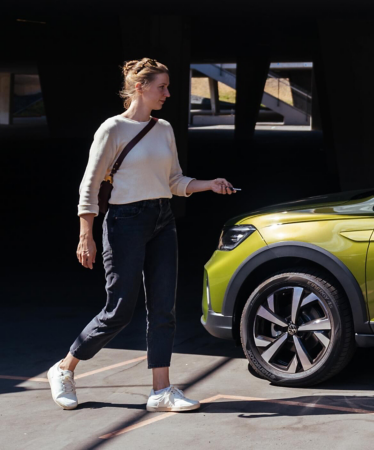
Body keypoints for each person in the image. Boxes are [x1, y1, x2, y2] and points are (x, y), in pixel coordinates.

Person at [47, 57, 236, 412]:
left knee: (164, 309)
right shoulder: (112, 129)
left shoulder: (163, 128)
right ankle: (64, 368)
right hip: (125, 222)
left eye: (167, 87)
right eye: (162, 87)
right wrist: (86, 234)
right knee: (118, 310)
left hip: (163, 219)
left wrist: (209, 184)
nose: (168, 93)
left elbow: (174, 181)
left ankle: (161, 391)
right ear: (140, 87)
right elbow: (89, 185)